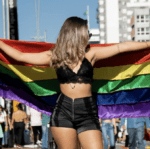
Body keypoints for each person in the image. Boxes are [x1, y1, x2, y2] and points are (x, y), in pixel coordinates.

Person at [0, 16, 150, 149]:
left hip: (87, 113)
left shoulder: (91, 54)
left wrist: (148, 44)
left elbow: (121, 47)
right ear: (76, 34)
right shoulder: (55, 56)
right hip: (62, 112)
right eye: (87, 34)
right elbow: (20, 56)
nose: (89, 37)